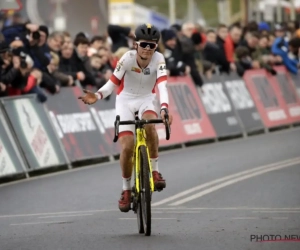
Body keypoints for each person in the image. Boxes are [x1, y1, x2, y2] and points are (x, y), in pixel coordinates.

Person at [78, 23, 173, 213]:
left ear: (156, 47)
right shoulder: (127, 58)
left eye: (152, 46)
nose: (147, 49)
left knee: (149, 127)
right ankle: (126, 190)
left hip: (146, 99)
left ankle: (154, 171)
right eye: (144, 44)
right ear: (135, 44)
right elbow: (112, 83)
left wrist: (164, 108)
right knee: (128, 146)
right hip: (125, 101)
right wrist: (96, 96)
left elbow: (162, 85)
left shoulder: (159, 59)